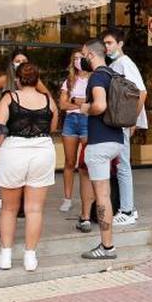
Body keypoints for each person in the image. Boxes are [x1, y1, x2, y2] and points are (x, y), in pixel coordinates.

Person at [0, 62, 56, 273]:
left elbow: (0, 128)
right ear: (38, 80)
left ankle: (6, 256)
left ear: (17, 79)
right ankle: (30, 257)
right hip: (43, 152)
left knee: (9, 209)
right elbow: (52, 127)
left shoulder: (9, 98)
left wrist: (1, 152)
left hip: (15, 151)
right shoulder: (48, 100)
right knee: (35, 209)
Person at [0, 48, 50, 215]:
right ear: (11, 63)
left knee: (24, 164)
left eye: (23, 61)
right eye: (17, 61)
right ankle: (1, 198)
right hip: (6, 126)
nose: (20, 64)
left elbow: (48, 97)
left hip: (24, 128)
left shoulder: (33, 81)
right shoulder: (5, 79)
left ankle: (23, 201)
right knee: (3, 161)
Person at [77, 40, 123, 260]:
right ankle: (107, 245)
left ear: (92, 55)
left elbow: (101, 105)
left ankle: (107, 247)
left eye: (84, 55)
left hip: (100, 143)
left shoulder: (96, 76)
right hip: (115, 140)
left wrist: (86, 108)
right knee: (105, 195)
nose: (81, 59)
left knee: (102, 197)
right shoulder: (113, 74)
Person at [100, 27, 146, 226]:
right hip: (120, 123)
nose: (107, 47)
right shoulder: (117, 64)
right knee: (120, 165)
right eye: (105, 44)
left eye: (110, 43)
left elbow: (142, 92)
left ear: (120, 44)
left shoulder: (125, 63)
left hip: (123, 123)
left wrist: (131, 120)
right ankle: (126, 208)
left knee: (123, 166)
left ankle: (127, 210)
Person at [57, 49, 94, 231]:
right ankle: (67, 198)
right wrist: (81, 103)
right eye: (76, 58)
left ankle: (88, 206)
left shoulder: (94, 80)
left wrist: (78, 101)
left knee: (85, 164)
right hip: (71, 121)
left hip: (88, 122)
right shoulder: (69, 81)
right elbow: (62, 105)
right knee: (70, 162)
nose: (78, 61)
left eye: (81, 58)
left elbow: (96, 104)